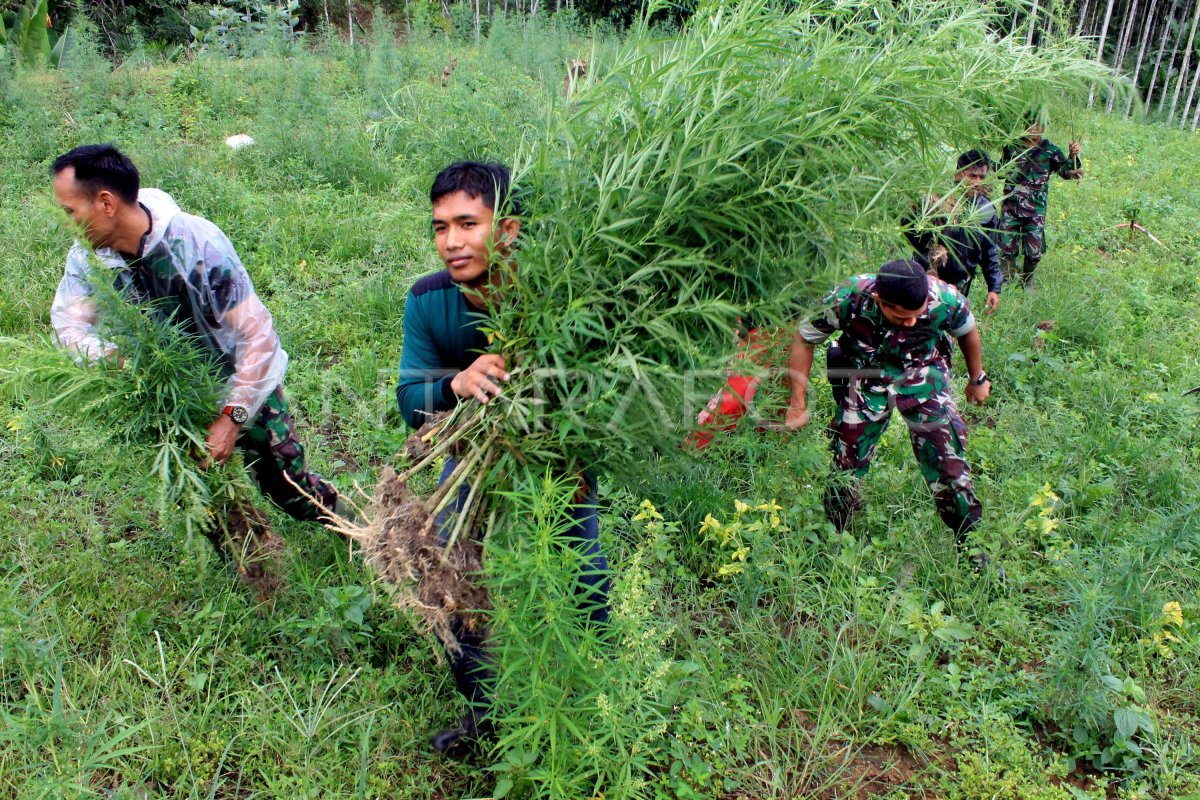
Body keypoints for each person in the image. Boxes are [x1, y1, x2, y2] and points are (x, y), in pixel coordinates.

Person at [396, 161, 610, 759]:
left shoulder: (560, 291)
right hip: (470, 453)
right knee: (452, 577)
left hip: (555, 451)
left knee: (581, 567)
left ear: (508, 228)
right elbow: (410, 398)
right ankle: (483, 715)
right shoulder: (428, 299)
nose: (452, 241)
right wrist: (456, 384)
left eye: (468, 223)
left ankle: (600, 697)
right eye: (440, 227)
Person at [49, 144, 340, 529]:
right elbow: (69, 326)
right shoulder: (89, 258)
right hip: (170, 397)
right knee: (206, 499)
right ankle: (254, 571)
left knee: (286, 485)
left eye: (71, 211)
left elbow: (256, 337)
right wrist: (121, 359)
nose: (68, 224)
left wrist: (232, 417)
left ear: (105, 202)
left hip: (241, 380)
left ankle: (361, 531)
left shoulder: (196, 247)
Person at [785, 260, 992, 560]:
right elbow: (804, 339)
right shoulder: (847, 297)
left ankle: (972, 546)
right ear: (880, 300)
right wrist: (797, 402)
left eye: (916, 315)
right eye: (900, 316)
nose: (910, 322)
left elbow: (967, 331)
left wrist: (977, 378)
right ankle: (834, 537)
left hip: (923, 378)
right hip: (865, 379)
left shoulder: (943, 298)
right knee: (846, 463)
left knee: (948, 463)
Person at [906, 149, 1003, 315]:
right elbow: (912, 236)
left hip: (960, 283)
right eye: (973, 176)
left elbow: (989, 251)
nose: (978, 182)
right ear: (958, 173)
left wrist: (994, 287)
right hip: (927, 279)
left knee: (951, 326)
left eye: (982, 177)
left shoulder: (987, 211)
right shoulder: (936, 201)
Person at [999, 116, 1082, 284]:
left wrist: (1073, 156)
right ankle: (1007, 282)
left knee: (1033, 251)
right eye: (1030, 123)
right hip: (1011, 207)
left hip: (1035, 210)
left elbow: (1067, 173)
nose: (1034, 128)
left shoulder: (1050, 150)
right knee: (1006, 247)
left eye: (1039, 124)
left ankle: (1027, 282)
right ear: (1024, 124)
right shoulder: (1012, 146)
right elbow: (1001, 171)